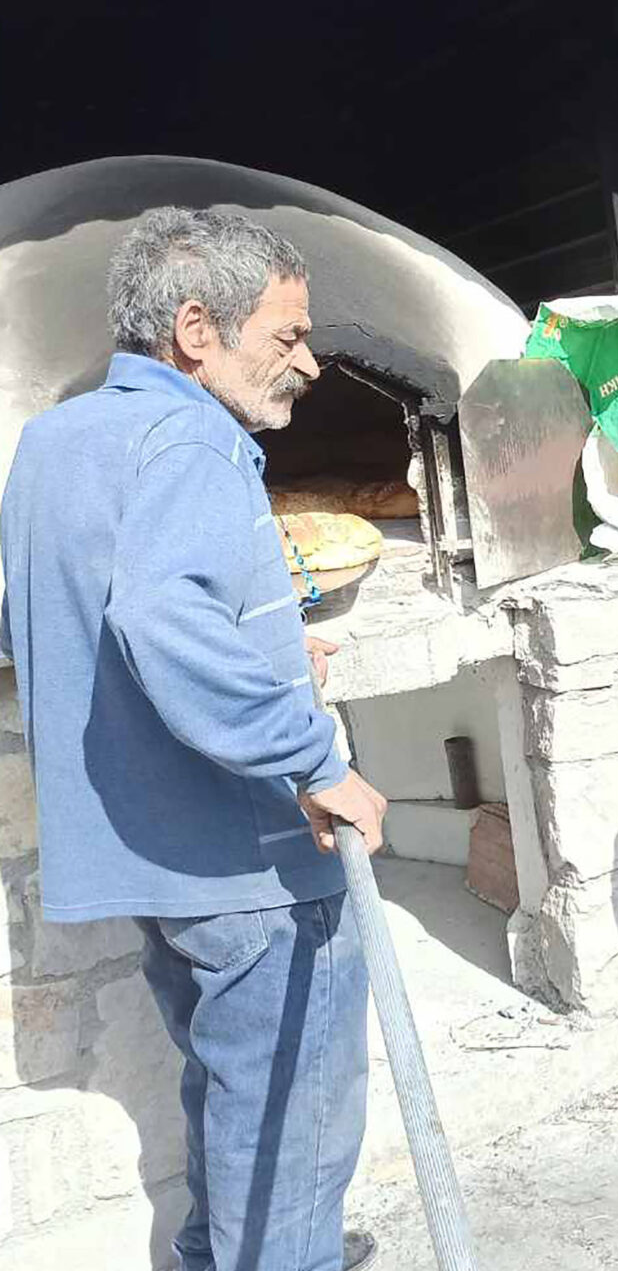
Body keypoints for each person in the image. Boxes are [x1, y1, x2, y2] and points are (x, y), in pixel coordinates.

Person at [0, 208, 389, 1271]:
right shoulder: (192, 438)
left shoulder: (56, 436)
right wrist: (315, 762)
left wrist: (262, 649)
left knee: (232, 1089)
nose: (308, 362)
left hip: (147, 857)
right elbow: (160, 620)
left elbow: (44, 610)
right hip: (245, 858)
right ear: (194, 328)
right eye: (286, 334)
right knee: (292, 1128)